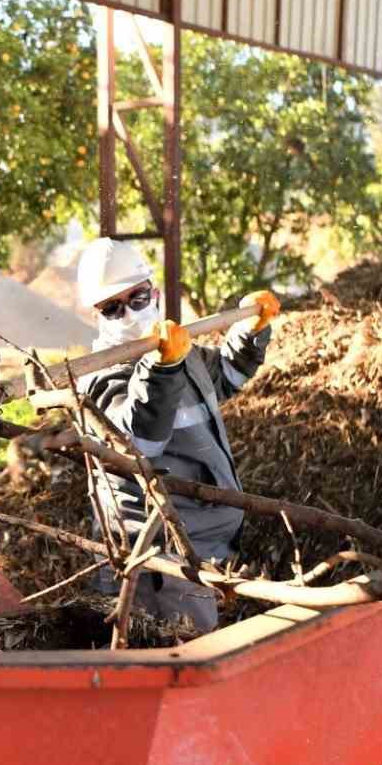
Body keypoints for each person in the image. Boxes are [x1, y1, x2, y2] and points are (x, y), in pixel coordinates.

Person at [74, 238, 280, 633]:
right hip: (157, 560)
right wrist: (161, 370)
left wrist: (251, 328)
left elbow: (226, 375)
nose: (130, 313)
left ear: (154, 292)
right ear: (98, 316)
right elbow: (139, 443)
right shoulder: (100, 379)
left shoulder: (179, 354)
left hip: (200, 545)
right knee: (179, 658)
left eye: (136, 298)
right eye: (113, 308)